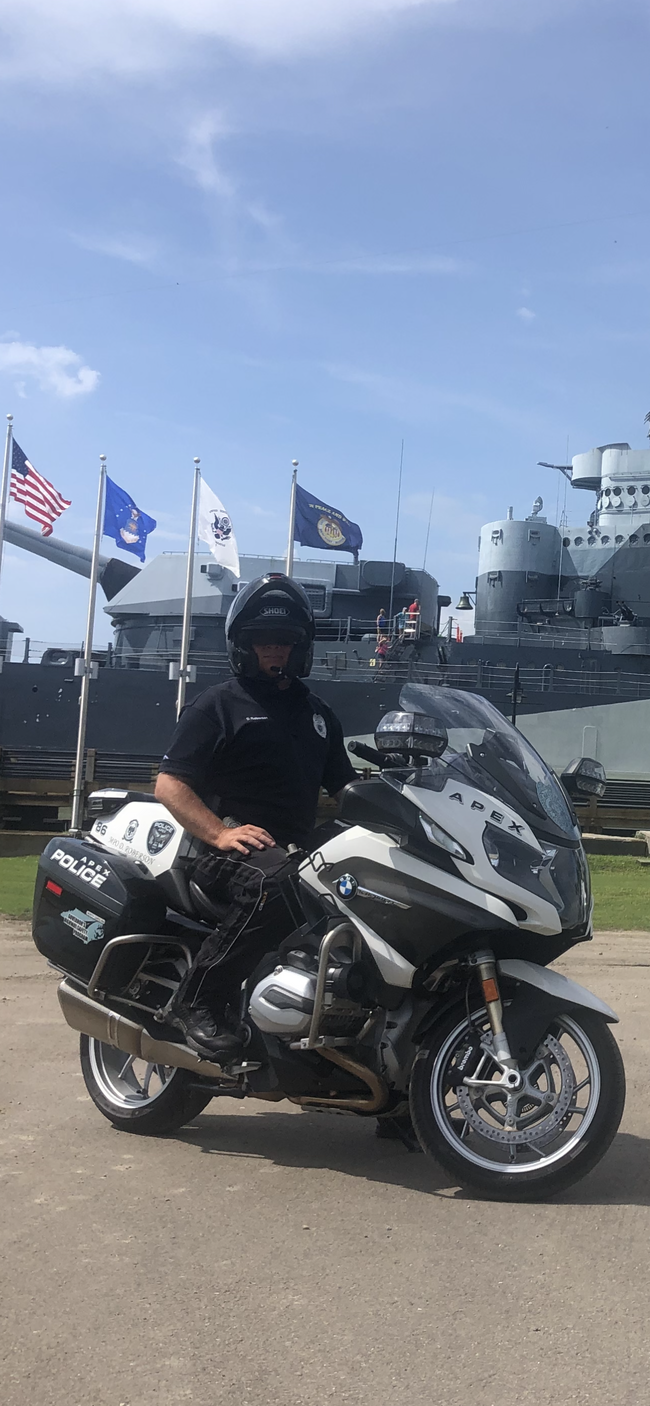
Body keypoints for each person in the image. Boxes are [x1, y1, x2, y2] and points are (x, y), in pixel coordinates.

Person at [155, 574, 357, 1061]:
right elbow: (169, 785)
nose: (275, 650)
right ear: (243, 647)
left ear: (300, 647)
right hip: (225, 852)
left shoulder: (318, 714)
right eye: (263, 641)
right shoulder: (218, 705)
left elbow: (348, 791)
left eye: (284, 641)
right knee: (276, 884)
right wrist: (220, 833)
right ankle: (197, 1000)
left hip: (294, 851)